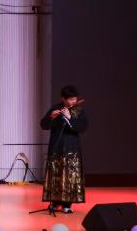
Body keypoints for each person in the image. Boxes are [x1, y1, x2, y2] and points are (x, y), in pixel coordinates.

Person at [41, 85, 88, 214]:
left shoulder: (78, 110)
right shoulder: (56, 108)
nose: (73, 101)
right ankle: (55, 202)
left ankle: (67, 204)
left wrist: (70, 118)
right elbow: (44, 125)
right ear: (63, 99)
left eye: (75, 99)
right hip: (57, 148)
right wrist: (51, 117)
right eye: (71, 99)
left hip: (71, 149)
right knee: (56, 175)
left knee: (70, 177)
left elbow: (83, 127)